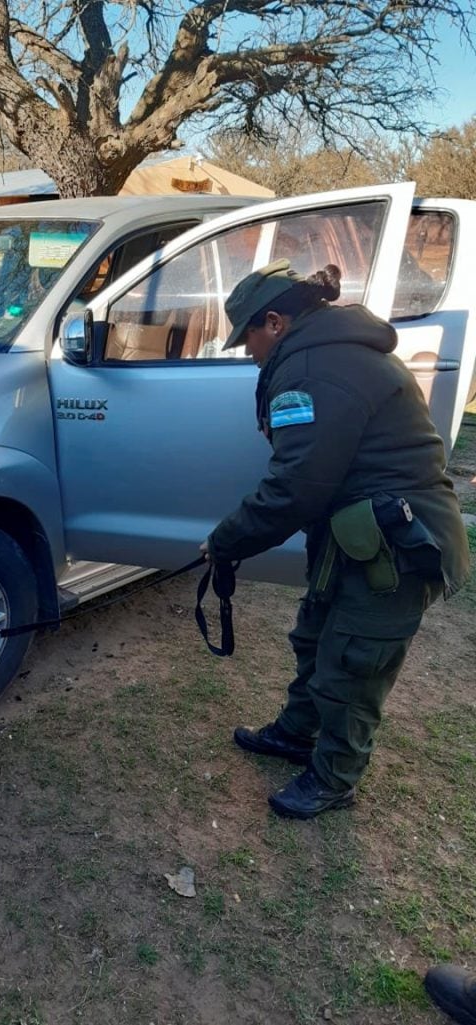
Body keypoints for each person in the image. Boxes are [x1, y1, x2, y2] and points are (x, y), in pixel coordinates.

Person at [200, 259, 470, 819]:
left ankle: (335, 778)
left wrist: (225, 541)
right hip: (359, 531)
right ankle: (297, 733)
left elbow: (295, 487)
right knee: (317, 635)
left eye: (247, 338)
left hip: (398, 543)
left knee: (354, 662)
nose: (247, 352)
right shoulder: (324, 352)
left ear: (274, 322)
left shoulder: (314, 369)